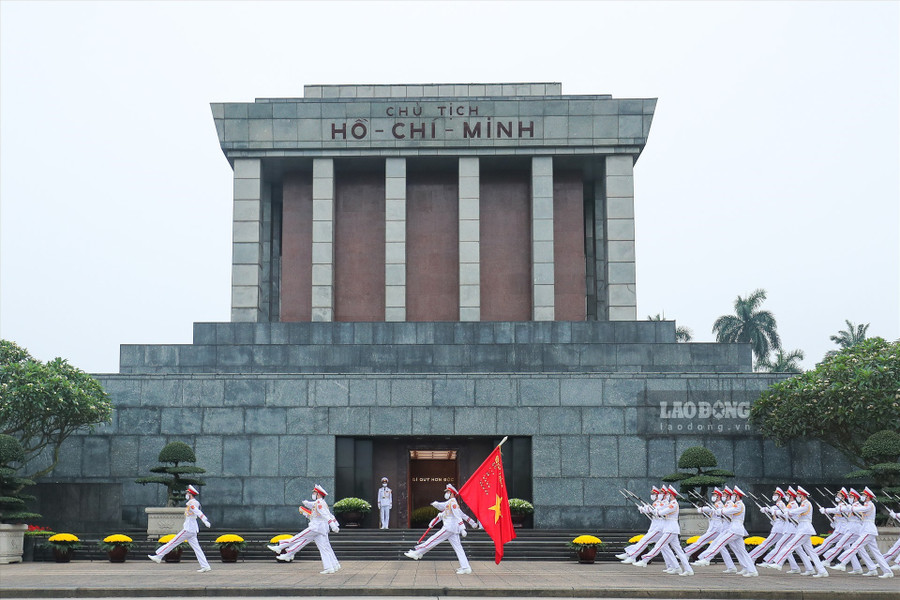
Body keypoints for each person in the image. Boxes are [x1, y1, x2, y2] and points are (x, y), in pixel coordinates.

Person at [404, 483, 480, 574]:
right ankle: (466, 567)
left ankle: (418, 552)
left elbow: (458, 516)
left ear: (451, 492)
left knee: (433, 539)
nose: (446, 493)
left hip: (449, 527)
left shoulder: (453, 503)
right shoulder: (449, 503)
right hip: (452, 529)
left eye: (447, 491)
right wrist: (472, 523)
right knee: (458, 548)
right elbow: (455, 512)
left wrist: (462, 528)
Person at [267, 484, 342, 574]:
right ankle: (331, 566)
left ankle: (281, 547)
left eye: (314, 492)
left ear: (318, 494)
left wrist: (333, 525)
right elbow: (314, 508)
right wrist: (306, 504)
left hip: (316, 527)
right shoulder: (320, 502)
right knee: (323, 547)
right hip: (319, 528)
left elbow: (327, 515)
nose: (313, 494)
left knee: (299, 537)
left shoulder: (319, 503)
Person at [828, 487, 894, 578]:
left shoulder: (869, 505)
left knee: (855, 546)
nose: (862, 496)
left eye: (864, 495)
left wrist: (850, 507)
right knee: (876, 552)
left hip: (868, 530)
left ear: (868, 497)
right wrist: (849, 507)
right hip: (867, 530)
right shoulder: (867, 504)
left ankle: (842, 563)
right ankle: (883, 570)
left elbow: (859, 509)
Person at [693, 486, 758, 577]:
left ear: (737, 496)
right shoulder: (737, 504)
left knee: (720, 542)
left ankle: (707, 558)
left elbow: (730, 511)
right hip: (736, 529)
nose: (732, 496)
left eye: (734, 495)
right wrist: (720, 511)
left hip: (735, 529)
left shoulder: (739, 505)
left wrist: (721, 511)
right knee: (742, 551)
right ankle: (750, 569)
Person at [765, 486, 828, 577]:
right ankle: (821, 571)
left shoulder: (806, 504)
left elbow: (797, 511)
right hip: (803, 529)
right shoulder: (803, 503)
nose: (797, 496)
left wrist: (789, 513)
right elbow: (787, 511)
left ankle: (778, 563)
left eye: (798, 495)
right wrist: (780, 512)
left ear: (802, 495)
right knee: (811, 552)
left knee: (791, 545)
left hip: (804, 529)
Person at [631, 486, 694, 576]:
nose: (665, 495)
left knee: (659, 545)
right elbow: (661, 509)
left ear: (671, 495)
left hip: (671, 530)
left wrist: (655, 511)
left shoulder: (673, 504)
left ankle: (645, 559)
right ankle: (686, 569)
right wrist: (650, 509)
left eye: (667, 494)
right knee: (679, 551)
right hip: (670, 529)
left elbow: (662, 512)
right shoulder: (670, 503)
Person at [148, 484, 212, 572]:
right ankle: (205, 566)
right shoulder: (192, 503)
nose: (186, 494)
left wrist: (205, 520)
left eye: (187, 493)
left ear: (190, 494)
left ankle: (159, 555)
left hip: (188, 529)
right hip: (192, 529)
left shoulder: (192, 503)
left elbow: (197, 511)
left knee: (173, 542)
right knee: (197, 549)